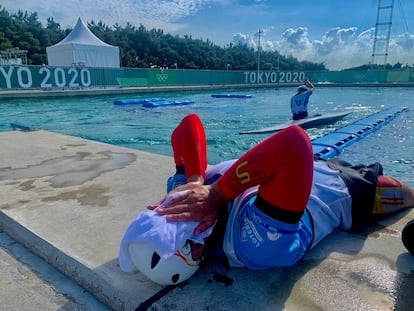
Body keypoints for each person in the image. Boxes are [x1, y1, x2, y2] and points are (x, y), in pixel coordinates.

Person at [119, 114, 414, 285]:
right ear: (195, 250)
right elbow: (294, 144)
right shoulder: (253, 245)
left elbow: (188, 125)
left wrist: (195, 178)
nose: (174, 209)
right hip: (351, 191)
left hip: (312, 169)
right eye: (172, 222)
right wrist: (218, 193)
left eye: (157, 215)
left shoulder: (187, 198)